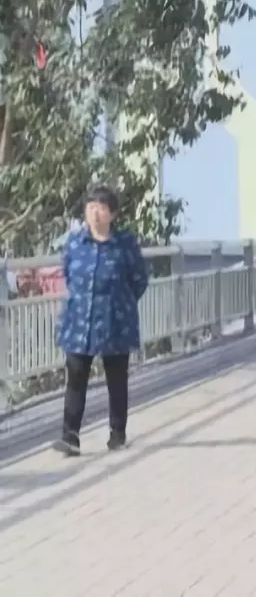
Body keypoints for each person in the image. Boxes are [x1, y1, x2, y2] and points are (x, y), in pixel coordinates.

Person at [52, 186, 149, 456]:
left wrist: (119, 302)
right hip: (79, 321)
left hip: (115, 321)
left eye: (102, 208)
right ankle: (70, 436)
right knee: (75, 377)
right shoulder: (75, 242)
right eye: (91, 207)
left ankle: (117, 434)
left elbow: (139, 280)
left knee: (116, 379)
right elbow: (68, 275)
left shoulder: (125, 244)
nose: (95, 214)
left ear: (113, 214)